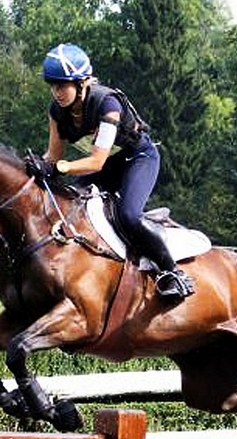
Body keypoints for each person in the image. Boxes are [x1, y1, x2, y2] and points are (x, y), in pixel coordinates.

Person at [29, 42, 195, 301]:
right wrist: (39, 165)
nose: (56, 92)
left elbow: (95, 162)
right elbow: (53, 155)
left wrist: (59, 168)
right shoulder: (56, 111)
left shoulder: (108, 105)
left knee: (128, 215)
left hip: (139, 158)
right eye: (52, 85)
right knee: (70, 206)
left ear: (82, 83)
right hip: (109, 163)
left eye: (62, 85)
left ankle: (172, 272)